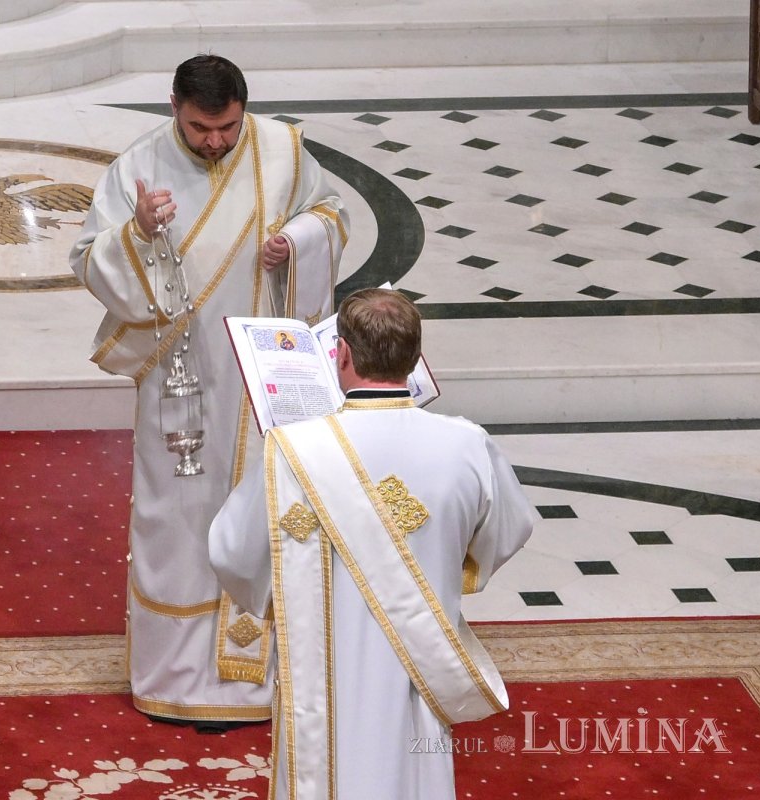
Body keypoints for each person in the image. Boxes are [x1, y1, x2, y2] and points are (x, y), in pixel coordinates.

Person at [69, 54, 349, 729]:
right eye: (200, 128)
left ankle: (266, 675)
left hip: (262, 379)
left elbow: (331, 214)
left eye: (226, 127)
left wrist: (297, 241)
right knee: (178, 521)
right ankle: (175, 673)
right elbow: (86, 258)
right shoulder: (138, 168)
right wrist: (136, 235)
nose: (215, 142)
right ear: (174, 108)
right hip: (183, 382)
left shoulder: (282, 151)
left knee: (268, 512)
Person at [209, 288, 537, 797]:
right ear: (414, 357)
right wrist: (446, 561)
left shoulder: (293, 451)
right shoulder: (467, 443)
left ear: (340, 354)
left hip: (329, 671)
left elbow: (232, 551)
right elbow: (511, 529)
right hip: (419, 655)